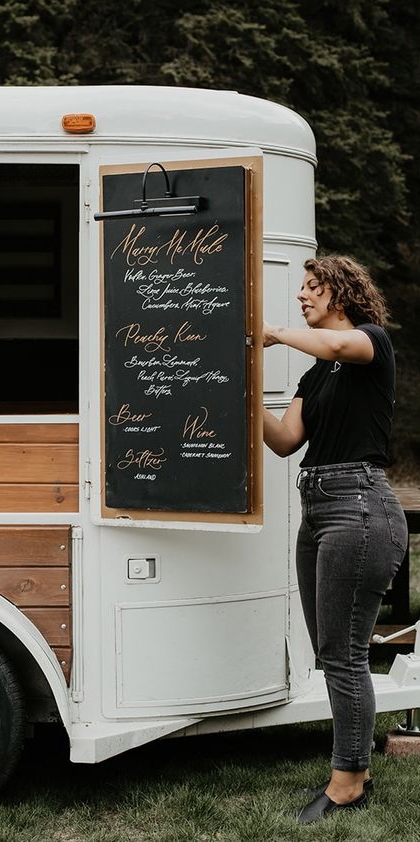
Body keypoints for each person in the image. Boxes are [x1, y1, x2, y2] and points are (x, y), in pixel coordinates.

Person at [262, 255, 408, 825]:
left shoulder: (370, 343)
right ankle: (355, 768)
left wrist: (273, 334)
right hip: (318, 507)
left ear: (340, 293)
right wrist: (242, 393)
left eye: (311, 288)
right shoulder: (315, 374)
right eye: (300, 289)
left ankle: (348, 781)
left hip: (360, 506)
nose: (301, 297)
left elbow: (343, 349)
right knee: (333, 651)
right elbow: (285, 440)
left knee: (343, 654)